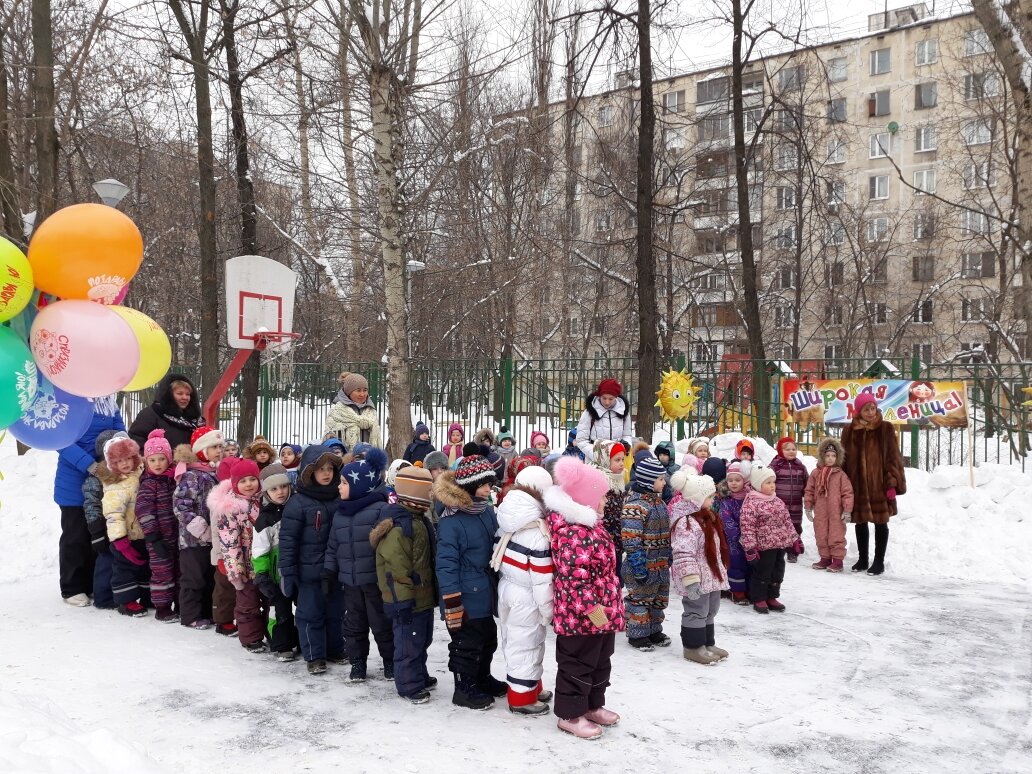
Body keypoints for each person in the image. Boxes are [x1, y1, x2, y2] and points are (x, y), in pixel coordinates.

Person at [546, 457, 624, 740]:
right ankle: (570, 714)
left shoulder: (592, 526)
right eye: (601, 496)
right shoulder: (573, 532)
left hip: (602, 611)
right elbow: (573, 579)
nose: (605, 501)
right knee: (577, 663)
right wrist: (593, 609)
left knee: (601, 659)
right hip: (581, 615)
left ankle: (592, 704)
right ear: (586, 498)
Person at [433, 455, 504, 710]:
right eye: (484, 484)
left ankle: (481, 677)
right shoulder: (451, 521)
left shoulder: (484, 510)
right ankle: (463, 687)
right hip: (463, 594)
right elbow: (445, 565)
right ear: (469, 485)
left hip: (484, 590)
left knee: (488, 639)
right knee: (466, 644)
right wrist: (452, 602)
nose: (489, 488)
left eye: (490, 483)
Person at [371, 466, 439, 704]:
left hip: (422, 596)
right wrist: (403, 599)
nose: (432, 495)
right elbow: (394, 568)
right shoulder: (400, 526)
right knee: (408, 642)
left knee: (422, 639)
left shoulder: (418, 519)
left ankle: (418, 674)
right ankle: (408, 684)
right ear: (415, 494)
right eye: (428, 491)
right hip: (406, 599)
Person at [324, 449, 394, 683]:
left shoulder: (380, 510)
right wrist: (329, 570)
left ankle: (390, 661)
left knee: (381, 623)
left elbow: (387, 548)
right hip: (350, 582)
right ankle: (357, 663)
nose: (339, 487)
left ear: (358, 485)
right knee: (353, 625)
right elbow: (333, 544)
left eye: (343, 483)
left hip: (374, 582)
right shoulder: (340, 513)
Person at [492, 465, 555, 716]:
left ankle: (531, 686)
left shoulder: (508, 519)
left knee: (517, 641)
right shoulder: (537, 532)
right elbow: (542, 580)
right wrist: (547, 610)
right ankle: (520, 697)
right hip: (527, 596)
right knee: (526, 644)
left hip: (508, 588)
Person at [279, 444, 345, 675]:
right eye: (320, 469)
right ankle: (314, 655)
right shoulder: (298, 503)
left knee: (336, 612)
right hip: (309, 573)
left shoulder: (340, 497)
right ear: (309, 472)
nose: (326, 473)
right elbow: (287, 541)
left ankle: (335, 648)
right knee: (310, 614)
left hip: (336, 570)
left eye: (329, 468)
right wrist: (287, 572)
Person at [55, 397, 125, 606]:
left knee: (97, 532)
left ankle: (92, 583)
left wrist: (120, 455)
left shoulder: (107, 402)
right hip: (74, 478)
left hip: (106, 473)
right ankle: (72, 587)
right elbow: (61, 440)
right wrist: (91, 465)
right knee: (75, 534)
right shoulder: (67, 401)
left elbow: (119, 431)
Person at [841, 392, 907, 576]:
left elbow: (893, 457)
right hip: (857, 485)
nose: (871, 412)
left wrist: (892, 482)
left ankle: (879, 562)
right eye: (866, 409)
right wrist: (842, 485)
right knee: (860, 522)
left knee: (880, 522)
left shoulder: (885, 428)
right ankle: (863, 559)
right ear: (858, 411)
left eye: (873, 408)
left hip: (880, 484)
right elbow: (843, 459)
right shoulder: (849, 430)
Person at [669, 471, 729, 665]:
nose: (713, 499)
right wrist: (691, 580)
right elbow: (683, 553)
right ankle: (693, 647)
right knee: (696, 610)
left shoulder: (707, 518)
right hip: (695, 578)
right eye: (710, 497)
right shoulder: (687, 523)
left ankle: (707, 643)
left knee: (710, 609)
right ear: (697, 499)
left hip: (710, 576)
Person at [209, 458, 267, 653]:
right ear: (234, 483)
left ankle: (272, 635)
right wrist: (235, 571)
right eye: (243, 481)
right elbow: (229, 543)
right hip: (245, 567)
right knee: (247, 604)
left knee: (268, 602)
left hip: (265, 564)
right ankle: (251, 638)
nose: (249, 484)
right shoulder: (230, 509)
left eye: (252, 479)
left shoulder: (264, 501)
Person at [172, 425, 224, 630]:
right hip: (193, 539)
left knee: (208, 576)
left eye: (220, 446)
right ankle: (189, 615)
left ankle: (205, 612)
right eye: (214, 447)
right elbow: (181, 505)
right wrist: (201, 528)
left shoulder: (212, 472)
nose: (219, 450)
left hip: (210, 538)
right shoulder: (191, 475)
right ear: (202, 450)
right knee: (193, 578)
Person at [620, 454, 672, 651]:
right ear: (649, 482)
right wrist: (639, 567)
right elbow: (631, 540)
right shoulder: (635, 506)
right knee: (640, 600)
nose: (664, 481)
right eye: (660, 478)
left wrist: (669, 556)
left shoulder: (659, 503)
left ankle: (653, 630)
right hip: (641, 565)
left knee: (658, 600)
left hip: (660, 564)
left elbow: (666, 532)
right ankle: (637, 634)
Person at [253, 464, 299, 661]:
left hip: (299, 569)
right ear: (266, 492)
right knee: (280, 610)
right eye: (274, 489)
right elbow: (259, 550)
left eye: (283, 487)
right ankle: (281, 644)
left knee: (302, 608)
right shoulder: (264, 519)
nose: (280, 492)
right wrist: (262, 574)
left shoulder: (297, 509)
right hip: (276, 574)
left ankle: (301, 640)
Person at [101, 433, 149, 618]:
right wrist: (120, 540)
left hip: (143, 533)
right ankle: (125, 601)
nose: (126, 463)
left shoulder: (140, 472)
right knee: (124, 569)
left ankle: (147, 596)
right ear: (112, 464)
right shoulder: (115, 484)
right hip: (125, 537)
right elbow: (113, 514)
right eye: (120, 460)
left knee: (145, 566)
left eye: (129, 458)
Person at [740, 465, 797, 614]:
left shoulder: (777, 501)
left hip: (779, 544)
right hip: (763, 546)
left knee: (778, 571)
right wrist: (750, 547)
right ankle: (759, 598)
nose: (772, 485)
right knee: (763, 572)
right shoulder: (751, 503)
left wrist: (794, 539)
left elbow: (787, 521)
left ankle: (772, 596)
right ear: (758, 485)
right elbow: (747, 526)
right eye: (768, 482)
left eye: (773, 482)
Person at [136, 430, 179, 622]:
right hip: (158, 538)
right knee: (161, 572)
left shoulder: (174, 479)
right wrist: (153, 536)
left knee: (178, 570)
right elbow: (144, 511)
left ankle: (179, 603)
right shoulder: (148, 483)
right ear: (146, 462)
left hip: (177, 535)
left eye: (161, 459)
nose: (157, 464)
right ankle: (162, 607)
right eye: (152, 460)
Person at [81, 429, 121, 610]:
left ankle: (121, 593)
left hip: (121, 525)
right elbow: (91, 504)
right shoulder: (97, 477)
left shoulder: (126, 472)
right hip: (104, 527)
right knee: (106, 560)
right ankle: (103, 597)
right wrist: (97, 531)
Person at [804, 438, 854, 573]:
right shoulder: (816, 474)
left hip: (836, 511)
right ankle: (825, 558)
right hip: (820, 511)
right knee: (821, 533)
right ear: (822, 456)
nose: (830, 459)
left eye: (833, 456)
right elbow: (809, 490)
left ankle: (837, 560)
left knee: (836, 534)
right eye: (827, 456)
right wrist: (808, 506)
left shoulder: (840, 475)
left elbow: (847, 493)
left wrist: (847, 510)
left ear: (837, 457)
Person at [128, 373, 204, 451]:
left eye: (188, 394)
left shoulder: (195, 420)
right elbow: (136, 441)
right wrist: (153, 459)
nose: (185, 397)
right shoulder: (151, 414)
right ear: (169, 395)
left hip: (192, 462)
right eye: (179, 393)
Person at [589, 440, 627, 581]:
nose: (622, 463)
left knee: (617, 580)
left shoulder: (618, 479)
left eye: (623, 459)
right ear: (603, 459)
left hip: (616, 540)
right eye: (617, 460)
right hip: (601, 543)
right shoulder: (597, 480)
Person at [770, 437, 809, 563]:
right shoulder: (775, 465)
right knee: (780, 525)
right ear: (780, 450)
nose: (791, 451)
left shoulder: (800, 467)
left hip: (796, 502)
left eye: (794, 449)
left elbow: (807, 483)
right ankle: (781, 546)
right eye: (787, 449)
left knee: (795, 525)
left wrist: (808, 495)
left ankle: (794, 548)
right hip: (780, 503)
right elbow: (767, 480)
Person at [717, 462, 751, 605]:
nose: (734, 483)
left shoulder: (750, 498)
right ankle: (737, 592)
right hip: (733, 542)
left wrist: (750, 534)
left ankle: (749, 590)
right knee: (736, 565)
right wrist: (738, 535)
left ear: (744, 481)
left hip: (750, 539)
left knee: (749, 565)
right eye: (730, 480)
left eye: (737, 480)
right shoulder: (726, 500)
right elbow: (726, 520)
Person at [573, 378, 633, 458]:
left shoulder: (623, 412)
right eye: (604, 398)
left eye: (611, 399)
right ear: (599, 395)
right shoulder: (589, 413)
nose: (607, 402)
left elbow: (627, 435)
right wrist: (597, 455)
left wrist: (626, 445)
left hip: (617, 459)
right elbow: (581, 440)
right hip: (595, 460)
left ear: (616, 397)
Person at [324, 372, 382, 449]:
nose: (362, 394)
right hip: (345, 458)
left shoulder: (371, 410)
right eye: (358, 390)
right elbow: (329, 438)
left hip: (369, 458)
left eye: (365, 390)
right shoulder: (337, 410)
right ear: (349, 392)